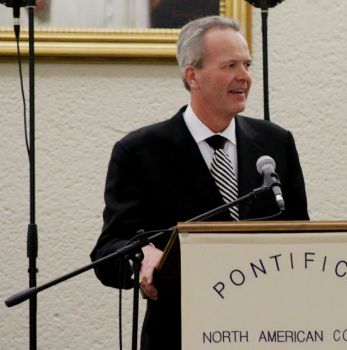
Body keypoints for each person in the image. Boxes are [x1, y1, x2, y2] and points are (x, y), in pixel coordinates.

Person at [90, 16, 309, 350]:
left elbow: (300, 234)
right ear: (192, 75)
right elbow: (108, 251)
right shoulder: (139, 152)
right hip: (178, 334)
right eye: (230, 65)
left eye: (247, 65)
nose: (244, 77)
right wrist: (141, 256)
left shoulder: (276, 143)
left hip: (266, 332)